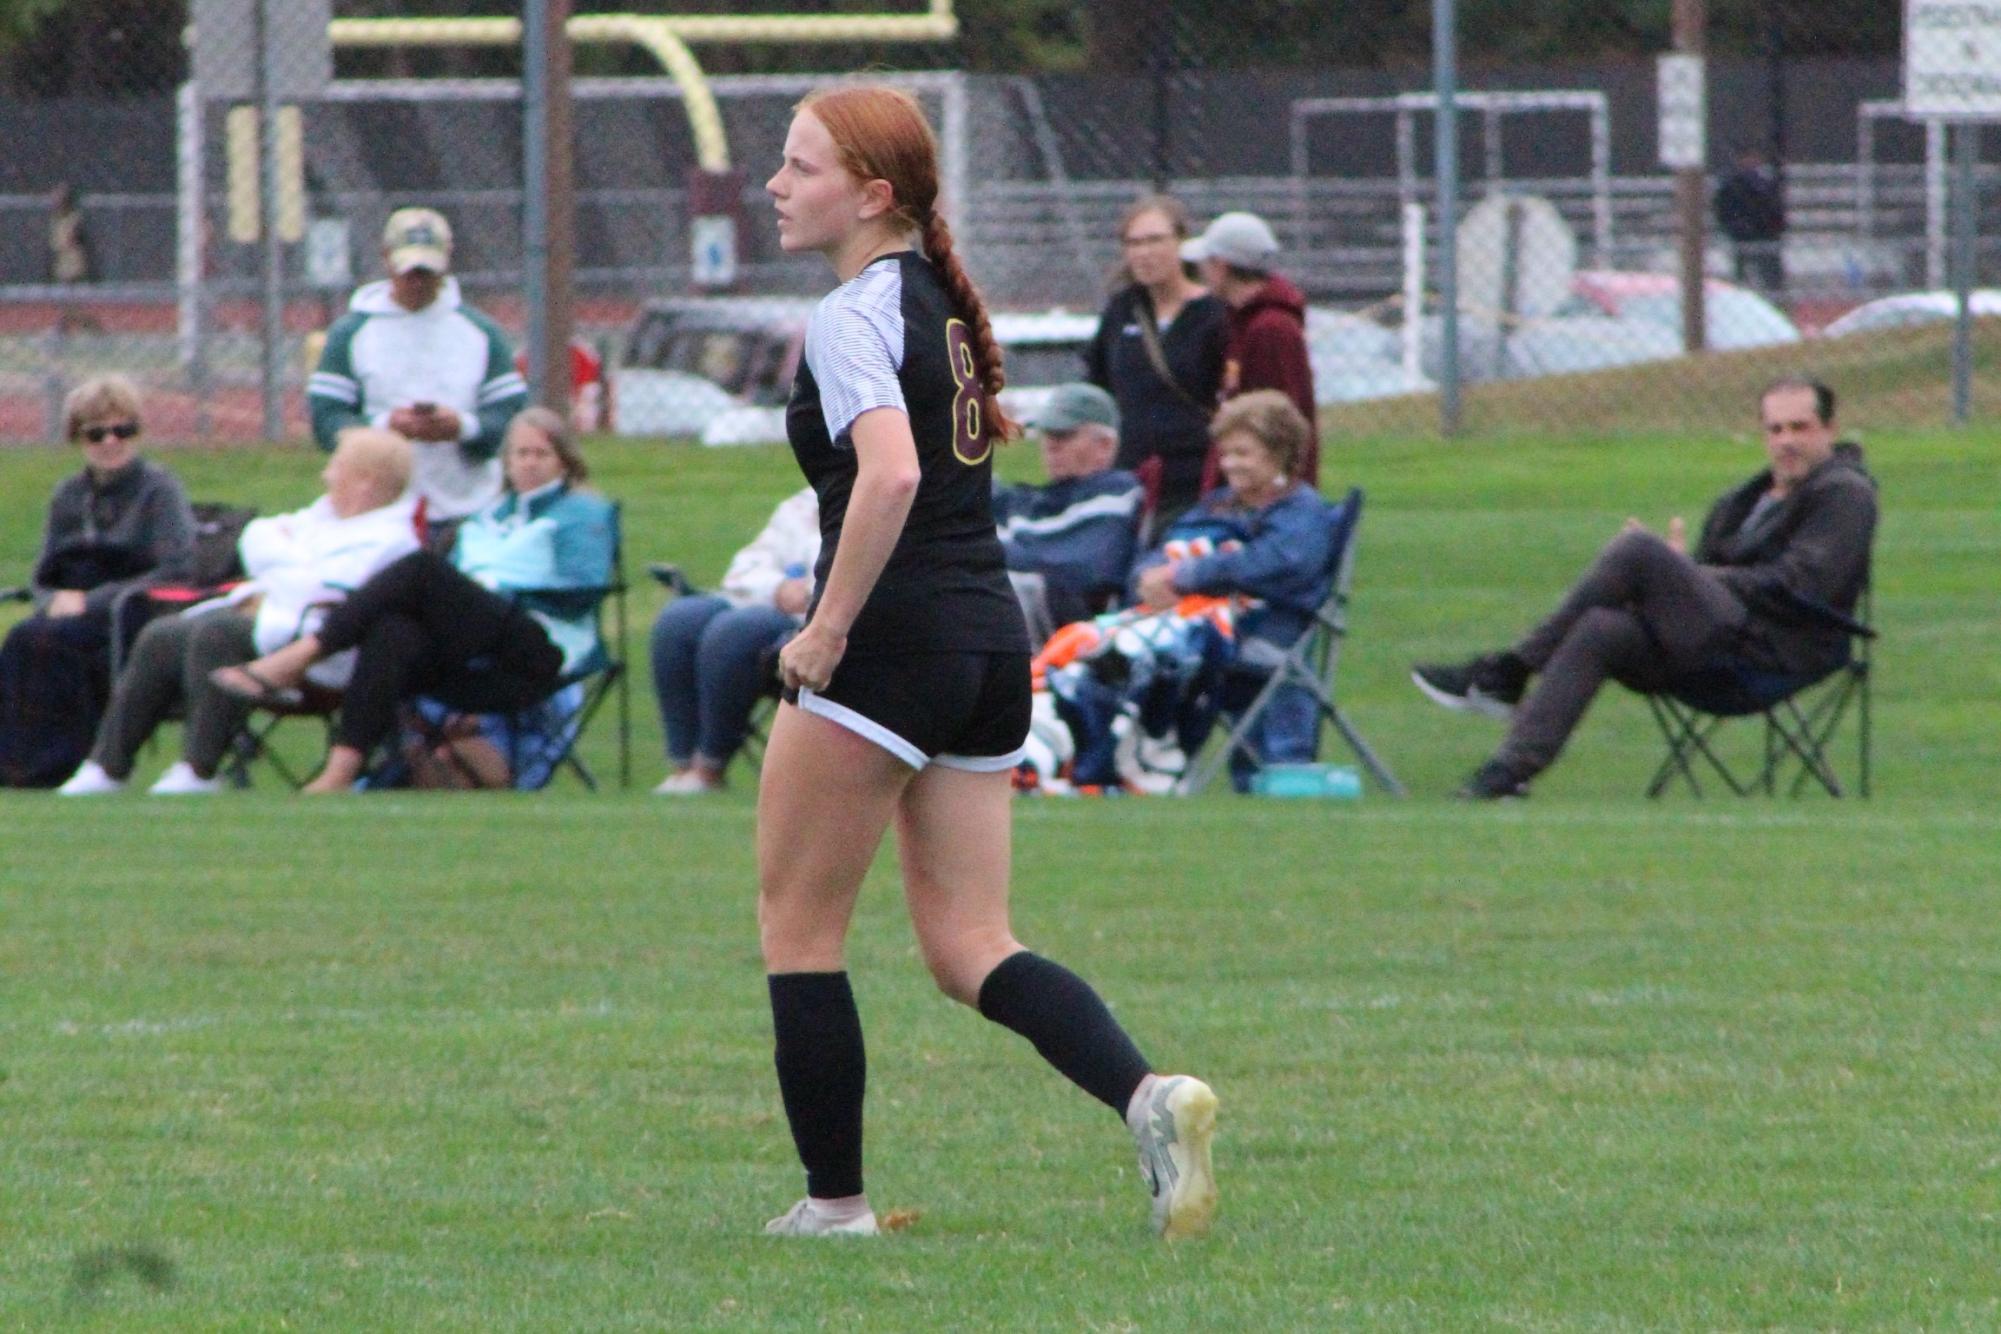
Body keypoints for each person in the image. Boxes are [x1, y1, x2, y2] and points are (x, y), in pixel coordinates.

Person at [752, 82, 1217, 1240]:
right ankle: (1150, 1096)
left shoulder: (854, 312)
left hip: (893, 642)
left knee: (800, 933)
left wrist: (826, 627)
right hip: (985, 643)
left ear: (870, 195)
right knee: (970, 947)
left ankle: (836, 1204)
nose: (775, 183)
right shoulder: (938, 304)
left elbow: (893, 475)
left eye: (800, 166)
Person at [1412, 377, 1876, 800]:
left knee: (1637, 551)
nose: (1786, 441)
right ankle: (1508, 773)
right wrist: (1681, 576)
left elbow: (1802, 585)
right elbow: (1709, 584)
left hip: (1776, 649)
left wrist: (1689, 577)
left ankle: (1508, 671)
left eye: (1801, 427)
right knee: (1601, 627)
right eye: (1775, 430)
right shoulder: (1741, 499)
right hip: (1714, 643)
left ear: (1830, 430)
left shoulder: (1844, 494)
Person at [211, 407, 614, 793]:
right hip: (475, 644)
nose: (529, 463)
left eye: (541, 454)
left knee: (421, 569)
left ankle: (300, 655)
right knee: (395, 630)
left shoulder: (582, 514)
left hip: (541, 645)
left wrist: (491, 591)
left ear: (565, 461)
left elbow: (580, 589)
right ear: (505, 462)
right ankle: (341, 771)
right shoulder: (486, 518)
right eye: (520, 453)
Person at [56, 429, 418, 796]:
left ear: (365, 482)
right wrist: (294, 567)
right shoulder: (323, 516)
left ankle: (200, 768)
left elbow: (321, 590)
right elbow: (255, 537)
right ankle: (108, 767)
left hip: (322, 654)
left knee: (217, 633)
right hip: (274, 623)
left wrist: (283, 570)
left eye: (337, 466)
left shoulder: (392, 540)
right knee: (162, 635)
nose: (327, 475)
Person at [1045, 390, 1336, 793]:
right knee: (1085, 648)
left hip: (1257, 630)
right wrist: (1154, 579)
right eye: (1227, 453)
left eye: (1243, 453)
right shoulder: (1218, 506)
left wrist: (1188, 575)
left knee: (1140, 657)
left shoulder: (1301, 513)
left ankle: (1120, 767)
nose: (1230, 464)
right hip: (1177, 616)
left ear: (1279, 452)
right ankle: (1073, 760)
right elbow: (1163, 552)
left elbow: (1273, 563)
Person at [0, 375, 195, 788]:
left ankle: (68, 761)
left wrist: (96, 600)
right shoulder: (68, 495)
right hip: (71, 605)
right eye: (96, 433)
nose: (110, 442)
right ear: (79, 438)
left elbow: (177, 567)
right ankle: (18, 762)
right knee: (22, 638)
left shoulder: (159, 490)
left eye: (122, 430)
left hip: (132, 608)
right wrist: (50, 599)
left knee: (57, 643)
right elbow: (43, 574)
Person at [307, 207, 528, 528]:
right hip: (377, 512)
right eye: (409, 271)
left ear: (447, 260)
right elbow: (327, 421)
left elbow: (508, 418)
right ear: (387, 259)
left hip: (467, 507)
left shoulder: (480, 333)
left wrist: (461, 427)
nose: (418, 281)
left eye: (427, 271)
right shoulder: (351, 334)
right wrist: (387, 426)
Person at [649, 485, 819, 795]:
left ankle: (709, 767)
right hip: (765, 600)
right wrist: (778, 588)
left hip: (815, 623)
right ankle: (682, 765)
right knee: (679, 620)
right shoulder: (802, 505)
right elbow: (743, 569)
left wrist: (808, 592)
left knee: (733, 632)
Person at [1083, 194, 1227, 526]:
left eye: (1155, 240)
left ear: (1181, 243)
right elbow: (1096, 385)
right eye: (1133, 243)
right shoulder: (1123, 310)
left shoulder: (1214, 314)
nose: (1144, 253)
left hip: (1198, 475)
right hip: (1131, 472)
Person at [992, 382, 1145, 642]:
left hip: (1072, 644)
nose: (1050, 445)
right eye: (1046, 434)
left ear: (1105, 445)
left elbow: (1080, 570)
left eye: (1063, 435)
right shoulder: (1030, 499)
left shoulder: (1116, 492)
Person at [1181, 210, 1318, 488]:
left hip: (1262, 492)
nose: (1202, 273)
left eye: (1206, 263)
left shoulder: (1270, 329)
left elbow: (1279, 425)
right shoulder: (1240, 322)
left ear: (1221, 266)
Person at [1715, 148, 1786, 294]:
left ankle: (1775, 302)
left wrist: (1774, 228)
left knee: (1771, 279)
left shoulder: (1766, 181)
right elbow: (1723, 210)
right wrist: (1737, 228)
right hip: (1742, 238)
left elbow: (1775, 208)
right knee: (1741, 277)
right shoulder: (1731, 184)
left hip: (1766, 236)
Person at [47, 183, 94, 285]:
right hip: (60, 262)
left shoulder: (74, 218)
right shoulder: (55, 219)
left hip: (73, 263)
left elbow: (73, 239)